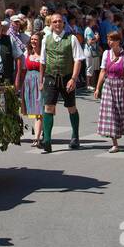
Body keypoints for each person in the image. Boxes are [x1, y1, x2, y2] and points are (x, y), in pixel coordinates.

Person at [38, 12, 84, 152]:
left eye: (59, 21)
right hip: (51, 77)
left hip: (67, 77)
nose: (57, 24)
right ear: (50, 24)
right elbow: (43, 61)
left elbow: (78, 60)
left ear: (63, 23)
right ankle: (47, 140)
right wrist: (41, 80)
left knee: (71, 108)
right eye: (54, 22)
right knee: (48, 107)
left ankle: (75, 136)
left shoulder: (71, 39)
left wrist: (73, 79)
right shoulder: (46, 39)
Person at [94, 30, 124, 152]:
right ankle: (115, 144)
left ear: (118, 41)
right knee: (110, 114)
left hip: (120, 85)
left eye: (112, 40)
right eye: (108, 40)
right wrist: (97, 88)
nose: (110, 42)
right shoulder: (106, 53)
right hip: (108, 86)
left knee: (123, 113)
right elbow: (102, 71)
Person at [19, 32, 44, 145]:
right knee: (34, 111)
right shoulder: (27, 53)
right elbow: (23, 69)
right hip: (29, 83)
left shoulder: (44, 55)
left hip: (40, 82)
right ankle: (40, 132)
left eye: (36, 39)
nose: (33, 41)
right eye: (32, 39)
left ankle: (37, 138)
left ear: (40, 41)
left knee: (39, 111)